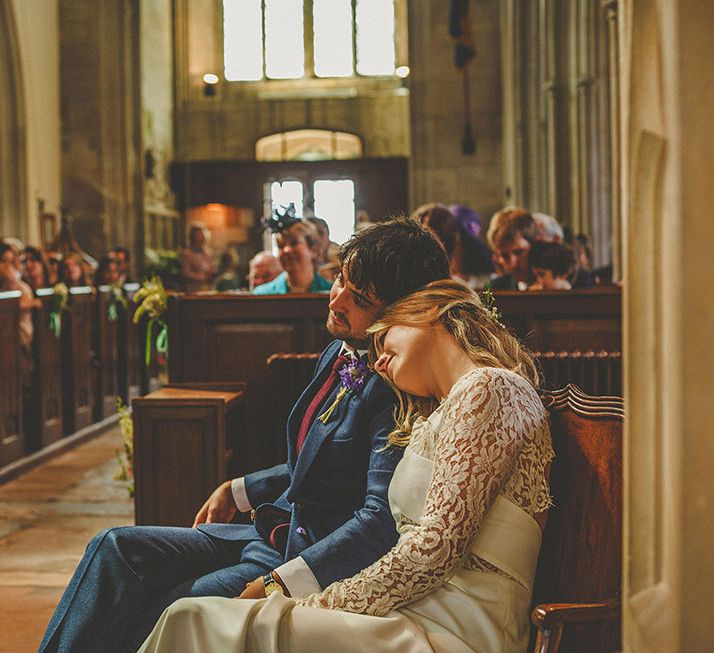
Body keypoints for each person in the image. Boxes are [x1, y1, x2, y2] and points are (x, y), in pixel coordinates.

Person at [38, 216, 451, 652]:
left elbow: (379, 522)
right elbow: (312, 464)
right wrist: (239, 490)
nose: (336, 300)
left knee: (169, 606)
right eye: (340, 281)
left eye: (359, 297)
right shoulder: (339, 351)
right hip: (273, 528)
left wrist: (281, 583)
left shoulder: (399, 387)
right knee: (114, 547)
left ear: (403, 309)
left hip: (304, 556)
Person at [138, 279, 554, 653]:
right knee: (193, 614)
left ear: (429, 313)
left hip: (457, 624)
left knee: (196, 618)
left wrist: (318, 600)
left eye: (384, 337)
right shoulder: (440, 411)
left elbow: (435, 549)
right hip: (417, 607)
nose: (377, 362)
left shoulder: (491, 387)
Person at [253, 210, 332, 294]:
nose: (286, 250)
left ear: (313, 250)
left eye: (294, 243)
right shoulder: (262, 294)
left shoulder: (331, 292)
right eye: (281, 246)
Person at [486, 207, 537, 290]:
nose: (513, 264)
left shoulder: (555, 286)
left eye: (519, 252)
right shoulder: (497, 288)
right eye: (505, 256)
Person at [180, 223, 217, 293]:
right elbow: (186, 273)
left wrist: (211, 275)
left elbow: (213, 270)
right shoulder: (187, 254)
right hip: (192, 290)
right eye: (196, 235)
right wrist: (201, 277)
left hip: (208, 289)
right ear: (192, 237)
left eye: (200, 235)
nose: (199, 237)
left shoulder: (209, 254)